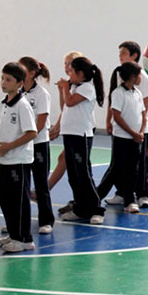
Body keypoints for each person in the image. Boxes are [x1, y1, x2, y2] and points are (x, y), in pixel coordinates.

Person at [0, 63, 37, 252]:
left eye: (8, 80)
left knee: (18, 201)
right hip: (5, 159)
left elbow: (31, 133)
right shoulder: (3, 104)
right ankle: (13, 234)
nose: (3, 83)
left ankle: (24, 239)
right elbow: (2, 130)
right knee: (5, 199)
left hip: (18, 160)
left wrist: (9, 147)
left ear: (19, 83)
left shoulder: (23, 105)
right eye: (2, 78)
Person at [105, 41, 148, 208]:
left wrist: (139, 131)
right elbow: (114, 107)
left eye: (124, 53)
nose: (120, 56)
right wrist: (108, 121)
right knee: (119, 166)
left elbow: (144, 106)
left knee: (137, 166)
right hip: (124, 132)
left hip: (138, 131)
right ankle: (122, 193)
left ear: (134, 55)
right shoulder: (120, 84)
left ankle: (141, 195)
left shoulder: (141, 81)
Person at [56, 56, 106, 224]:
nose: (68, 74)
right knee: (73, 174)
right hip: (69, 133)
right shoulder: (74, 87)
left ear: (80, 73)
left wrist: (65, 88)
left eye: (71, 72)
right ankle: (80, 208)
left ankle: (97, 208)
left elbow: (70, 103)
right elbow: (64, 105)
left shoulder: (87, 88)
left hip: (81, 135)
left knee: (83, 173)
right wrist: (62, 90)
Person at [96, 62, 146, 213]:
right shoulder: (118, 93)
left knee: (133, 170)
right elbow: (116, 116)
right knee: (116, 170)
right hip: (122, 138)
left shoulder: (137, 93)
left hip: (135, 139)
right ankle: (95, 197)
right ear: (132, 76)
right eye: (139, 75)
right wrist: (132, 133)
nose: (140, 78)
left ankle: (129, 201)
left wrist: (141, 132)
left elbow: (143, 115)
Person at [19, 56, 54, 234]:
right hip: (21, 147)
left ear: (32, 73)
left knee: (41, 184)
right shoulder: (17, 93)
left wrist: (28, 138)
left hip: (38, 144)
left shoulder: (42, 94)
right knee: (21, 185)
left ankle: (46, 220)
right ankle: (18, 222)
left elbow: (41, 123)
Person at [49, 50, 82, 215]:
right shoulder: (69, 84)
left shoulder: (81, 85)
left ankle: (45, 190)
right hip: (72, 129)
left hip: (81, 131)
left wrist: (57, 126)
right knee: (66, 160)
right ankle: (78, 200)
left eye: (70, 63)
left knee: (77, 167)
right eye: (65, 63)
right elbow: (64, 108)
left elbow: (69, 105)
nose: (67, 66)